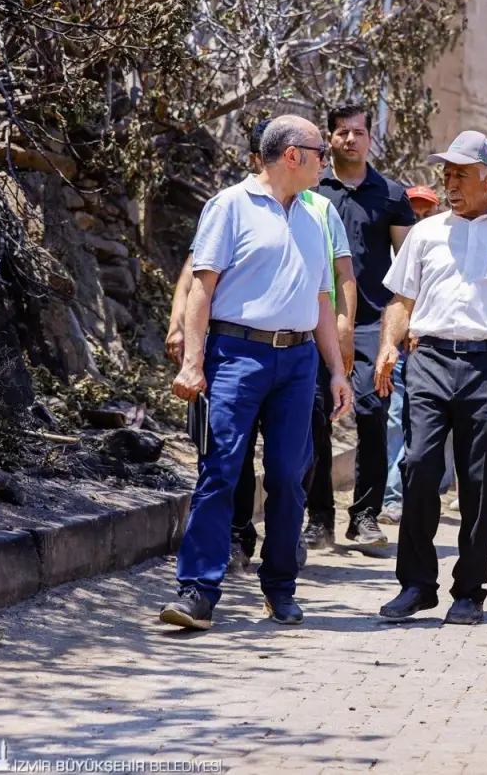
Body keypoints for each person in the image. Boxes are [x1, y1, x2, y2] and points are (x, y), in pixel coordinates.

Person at [160, 115, 352, 630]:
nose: (325, 160)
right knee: (220, 470)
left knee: (290, 477)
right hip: (235, 354)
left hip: (297, 362)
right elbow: (202, 289)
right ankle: (198, 590)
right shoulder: (230, 207)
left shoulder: (315, 219)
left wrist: (336, 371)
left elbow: (319, 300)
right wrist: (193, 362)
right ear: (293, 155)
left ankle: (281, 589)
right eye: (319, 151)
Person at [374, 131, 487, 625]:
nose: (449, 182)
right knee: (419, 467)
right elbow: (401, 301)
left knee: (482, 480)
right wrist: (389, 344)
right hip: (429, 361)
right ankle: (416, 585)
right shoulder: (426, 233)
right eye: (446, 173)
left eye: (460, 173)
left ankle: (469, 590)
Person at [313, 104, 414, 551]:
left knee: (372, 416)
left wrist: (407, 323)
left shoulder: (391, 194)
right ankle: (318, 519)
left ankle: (366, 515)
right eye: (341, 133)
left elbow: (410, 267)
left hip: (373, 321)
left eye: (358, 132)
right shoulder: (312, 190)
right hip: (315, 320)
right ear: (329, 139)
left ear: (370, 138)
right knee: (314, 418)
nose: (350, 139)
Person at [378, 186, 448, 526]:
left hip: (430, 352)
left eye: (426, 211)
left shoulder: (443, 245)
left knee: (424, 426)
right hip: (400, 350)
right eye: (414, 212)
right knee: (394, 420)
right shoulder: (393, 253)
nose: (419, 217)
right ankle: (394, 498)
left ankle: (423, 492)